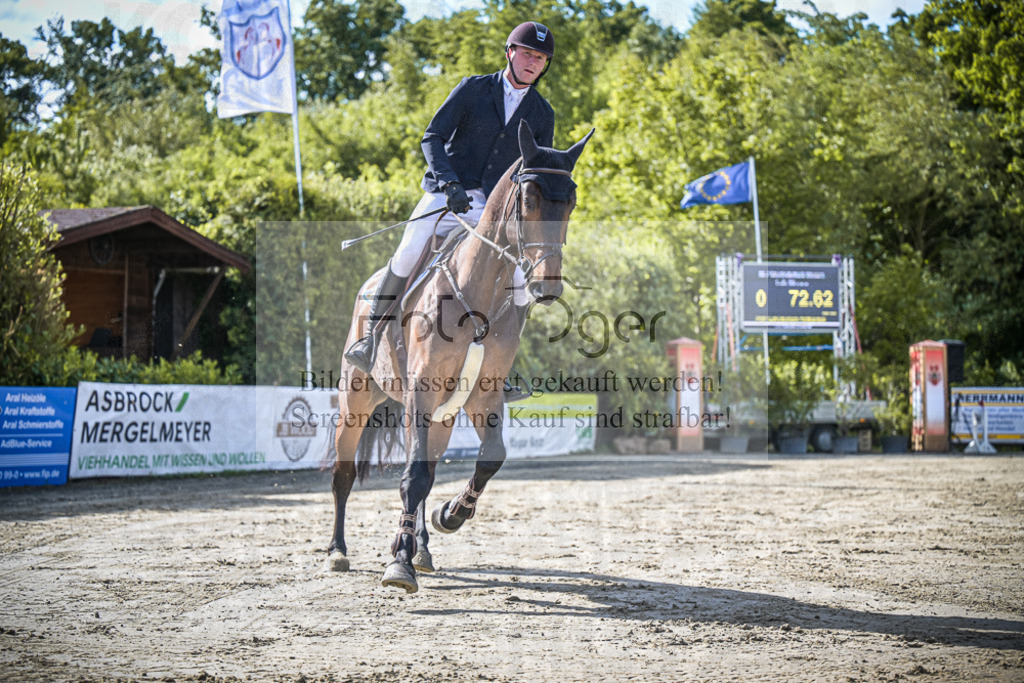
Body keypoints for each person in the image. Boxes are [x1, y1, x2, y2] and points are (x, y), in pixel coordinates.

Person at [344, 21, 557, 380]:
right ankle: (370, 339)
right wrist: (449, 183)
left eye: (540, 58)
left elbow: (535, 170)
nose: (533, 62)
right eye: (527, 53)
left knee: (520, 278)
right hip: (447, 192)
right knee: (409, 250)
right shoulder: (473, 89)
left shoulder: (542, 114)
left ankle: (508, 364)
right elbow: (432, 137)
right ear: (510, 52)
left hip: (494, 207)